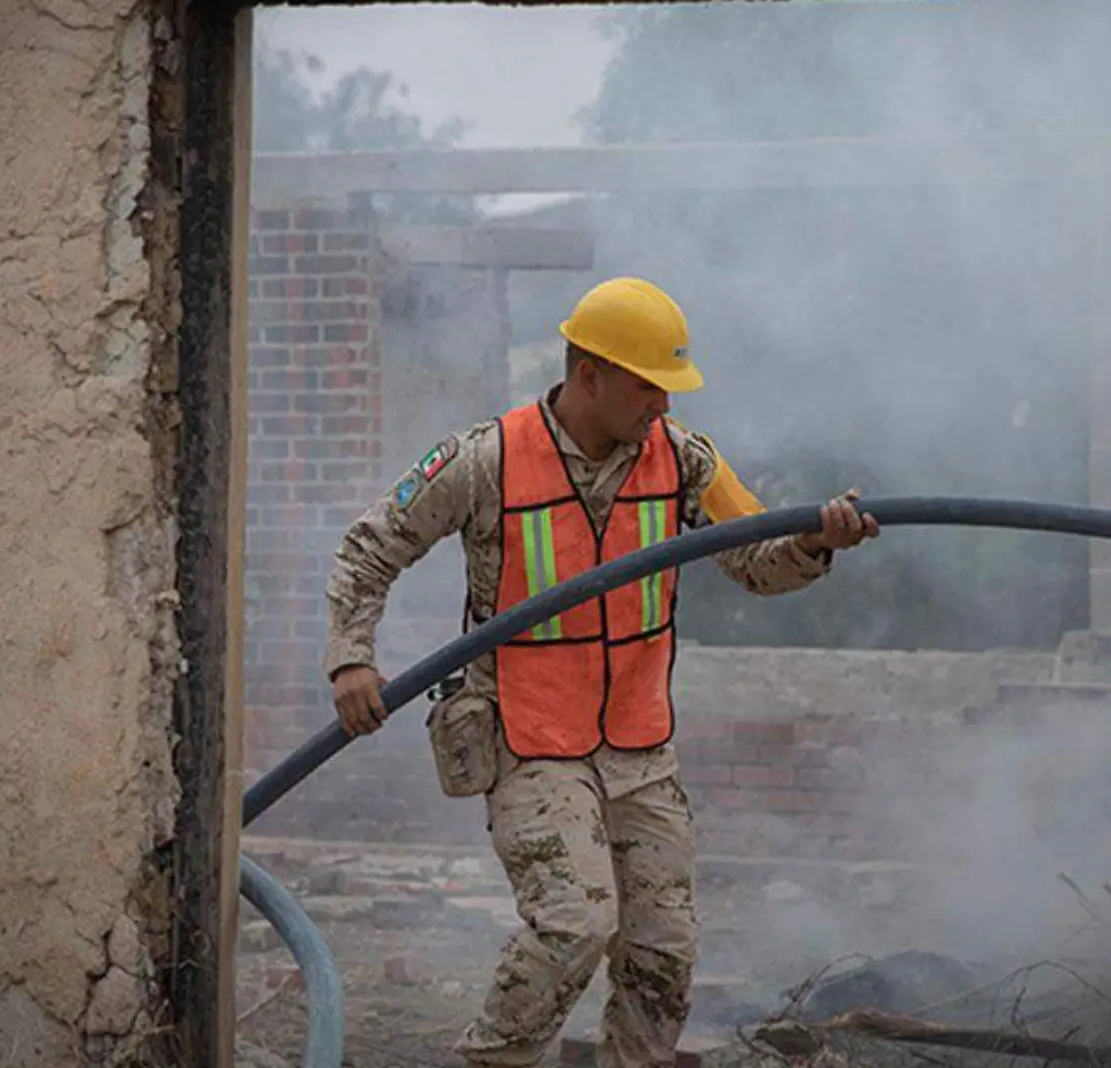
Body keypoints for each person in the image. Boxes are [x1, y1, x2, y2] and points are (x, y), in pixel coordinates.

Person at [321, 276, 878, 1068]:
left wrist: (819, 542)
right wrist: (351, 659)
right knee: (575, 923)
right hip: (530, 739)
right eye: (650, 388)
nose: (663, 407)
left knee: (664, 955)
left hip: (639, 749)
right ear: (590, 376)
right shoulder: (487, 460)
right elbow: (369, 548)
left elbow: (757, 558)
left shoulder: (682, 458)